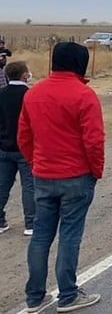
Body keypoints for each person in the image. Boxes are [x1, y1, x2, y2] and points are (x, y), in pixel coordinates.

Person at [18, 42, 104, 312]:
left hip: (43, 174)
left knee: (41, 235)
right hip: (76, 175)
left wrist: (36, 162)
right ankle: (68, 294)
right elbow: (94, 141)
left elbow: (24, 136)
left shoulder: (34, 94)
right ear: (81, 63)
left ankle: (35, 297)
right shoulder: (84, 95)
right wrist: (96, 170)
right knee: (69, 235)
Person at [0, 61, 35, 236]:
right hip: (25, 149)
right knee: (29, 186)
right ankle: (30, 224)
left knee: (2, 185)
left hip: (4, 147)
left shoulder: (1, 94)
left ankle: (0, 221)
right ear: (24, 75)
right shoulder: (30, 95)